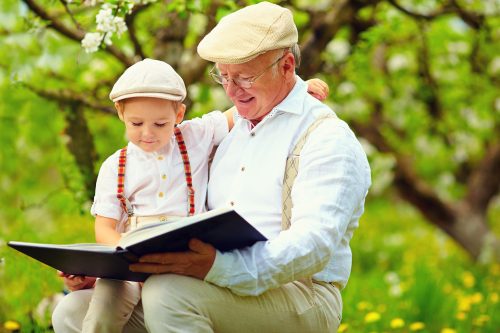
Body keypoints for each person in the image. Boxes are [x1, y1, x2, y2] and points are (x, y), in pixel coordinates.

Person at [130, 2, 371, 332]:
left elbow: (313, 245)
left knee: (169, 294)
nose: (231, 90)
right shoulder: (229, 129)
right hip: (210, 280)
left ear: (287, 66)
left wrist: (219, 268)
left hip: (301, 294)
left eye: (244, 77)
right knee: (78, 309)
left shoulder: (326, 138)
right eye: (223, 77)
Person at [51, 56, 329, 331]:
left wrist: (297, 90)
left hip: (183, 258)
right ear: (121, 113)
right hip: (130, 261)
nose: (147, 133)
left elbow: (242, 110)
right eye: (136, 124)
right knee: (104, 309)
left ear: (179, 115)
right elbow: (104, 226)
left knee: (170, 296)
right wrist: (121, 256)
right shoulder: (116, 166)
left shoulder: (194, 137)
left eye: (160, 124)